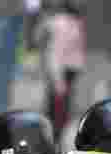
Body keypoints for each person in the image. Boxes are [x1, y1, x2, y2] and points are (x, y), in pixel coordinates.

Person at [34, 0, 86, 145]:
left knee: (62, 112)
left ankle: (53, 141)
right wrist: (58, 79)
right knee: (57, 112)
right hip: (60, 71)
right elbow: (55, 53)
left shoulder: (74, 22)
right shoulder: (61, 23)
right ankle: (50, 142)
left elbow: (75, 50)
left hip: (68, 71)